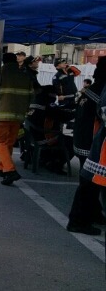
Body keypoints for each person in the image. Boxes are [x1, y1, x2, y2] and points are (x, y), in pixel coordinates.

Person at [67, 57, 106, 235]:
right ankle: (78, 221)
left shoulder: (94, 88)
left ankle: (92, 214)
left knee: (91, 184)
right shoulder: (99, 90)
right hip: (92, 143)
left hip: (86, 140)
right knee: (89, 184)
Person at [0, 53, 34, 185]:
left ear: (3, 62)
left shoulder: (0, 74)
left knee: (0, 142)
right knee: (9, 142)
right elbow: (32, 95)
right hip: (19, 115)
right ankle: (2, 168)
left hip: (4, 114)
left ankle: (10, 170)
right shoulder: (24, 75)